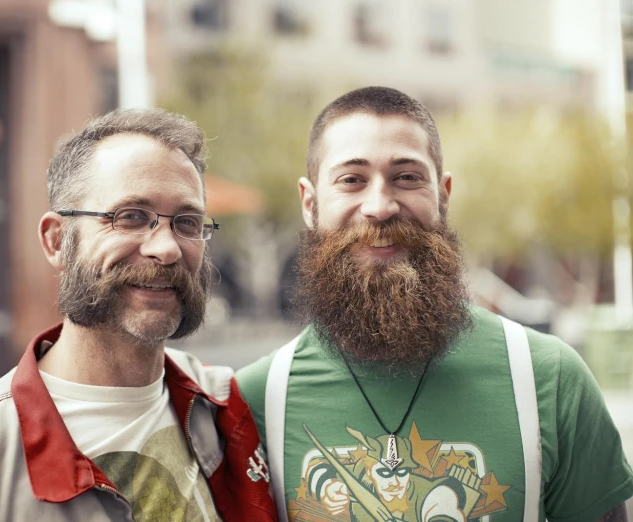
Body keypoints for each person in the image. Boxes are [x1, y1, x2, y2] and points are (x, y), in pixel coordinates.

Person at [236, 87, 633, 521]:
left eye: (407, 177)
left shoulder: (550, 380)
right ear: (310, 204)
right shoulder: (251, 402)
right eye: (351, 180)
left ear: (443, 195)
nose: (380, 206)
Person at [0, 109, 277, 521]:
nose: (167, 248)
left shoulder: (232, 408)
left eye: (187, 222)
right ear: (56, 240)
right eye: (131, 217)